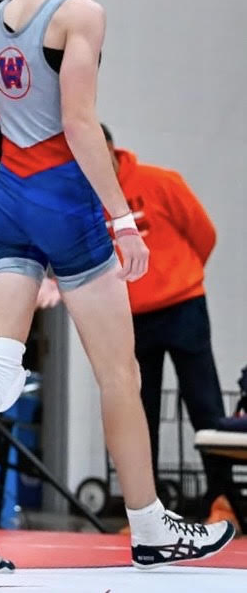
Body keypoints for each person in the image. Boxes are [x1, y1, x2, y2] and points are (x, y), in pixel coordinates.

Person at [0, 0, 234, 573]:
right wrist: (124, 216)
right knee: (119, 371)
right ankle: (149, 523)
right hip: (67, 201)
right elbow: (81, 123)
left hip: (11, 201)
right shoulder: (81, 14)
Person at [102, 124, 240, 531]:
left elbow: (204, 233)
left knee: (205, 406)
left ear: (108, 146)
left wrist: (181, 276)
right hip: (133, 317)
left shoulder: (160, 182)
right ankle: (147, 510)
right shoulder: (91, 199)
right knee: (140, 413)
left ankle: (223, 501)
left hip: (183, 305)